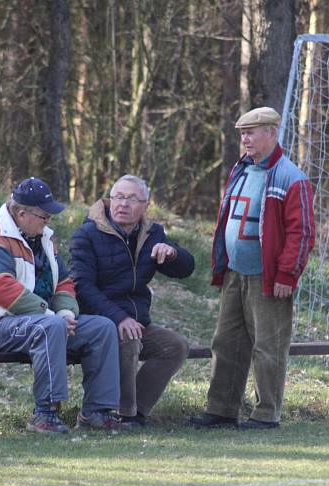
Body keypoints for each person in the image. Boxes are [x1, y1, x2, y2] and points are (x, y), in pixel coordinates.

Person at [0, 177, 127, 434]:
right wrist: (52, 315)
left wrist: (65, 312)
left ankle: (96, 411)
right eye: (43, 216)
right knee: (49, 327)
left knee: (102, 327)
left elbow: (63, 281)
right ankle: (44, 413)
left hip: (44, 321)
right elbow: (1, 287)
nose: (48, 221)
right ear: (21, 213)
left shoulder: (44, 239)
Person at [189, 107, 315, 430]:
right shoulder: (241, 170)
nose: (245, 138)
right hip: (235, 273)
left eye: (252, 132)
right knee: (226, 341)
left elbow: (301, 232)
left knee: (268, 346)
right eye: (242, 133)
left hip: (267, 278)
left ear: (271, 133)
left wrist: (287, 274)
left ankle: (266, 413)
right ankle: (221, 408)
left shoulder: (291, 177)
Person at [70, 175, 195, 428]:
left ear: (145, 205)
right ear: (110, 199)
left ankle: (137, 413)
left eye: (131, 199)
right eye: (118, 197)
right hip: (97, 322)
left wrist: (172, 254)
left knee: (175, 346)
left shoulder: (153, 233)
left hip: (137, 320)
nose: (122, 204)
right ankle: (119, 414)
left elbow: (186, 269)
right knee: (127, 337)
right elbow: (81, 287)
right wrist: (119, 318)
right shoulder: (87, 234)